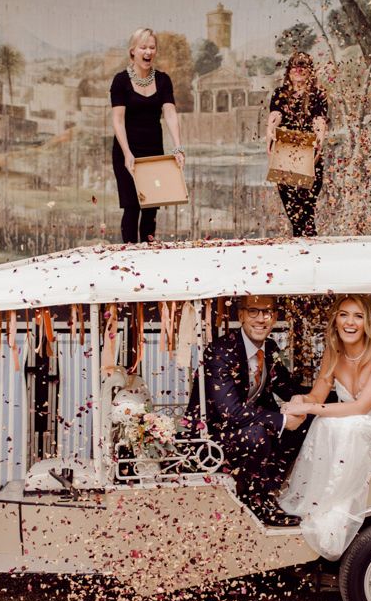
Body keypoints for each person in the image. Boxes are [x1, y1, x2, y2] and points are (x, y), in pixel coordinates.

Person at [279, 294, 371, 559]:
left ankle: (332, 508)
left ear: (368, 322)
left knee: (339, 425)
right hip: (350, 423)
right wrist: (301, 400)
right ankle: (315, 504)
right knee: (328, 423)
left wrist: (309, 409)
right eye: (344, 314)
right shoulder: (334, 352)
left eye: (358, 316)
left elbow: (361, 408)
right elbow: (317, 396)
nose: (350, 322)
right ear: (335, 319)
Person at [185, 295, 309, 527]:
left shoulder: (270, 348)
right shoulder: (220, 351)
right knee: (258, 433)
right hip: (210, 439)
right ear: (240, 315)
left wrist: (329, 395)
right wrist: (282, 419)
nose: (261, 319)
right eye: (253, 311)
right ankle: (255, 502)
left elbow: (287, 387)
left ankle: (269, 493)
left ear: (275, 317)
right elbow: (229, 412)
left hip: (250, 432)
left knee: (305, 420)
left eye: (268, 312)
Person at [110, 28, 185, 244]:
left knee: (151, 208)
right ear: (133, 51)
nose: (148, 52)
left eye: (152, 48)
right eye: (143, 47)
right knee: (132, 206)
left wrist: (178, 147)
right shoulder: (120, 81)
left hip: (153, 151)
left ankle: (148, 253)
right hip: (127, 151)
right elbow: (118, 120)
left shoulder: (163, 80)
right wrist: (126, 153)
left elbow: (170, 113)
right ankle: (130, 255)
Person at [267, 52, 328, 237]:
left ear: (310, 71)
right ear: (288, 71)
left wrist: (319, 138)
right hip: (285, 150)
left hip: (310, 151)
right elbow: (276, 114)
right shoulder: (280, 93)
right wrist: (269, 131)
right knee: (290, 202)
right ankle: (300, 243)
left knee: (307, 204)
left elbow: (319, 119)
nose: (299, 70)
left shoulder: (318, 95)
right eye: (294, 66)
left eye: (303, 66)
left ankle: (309, 244)